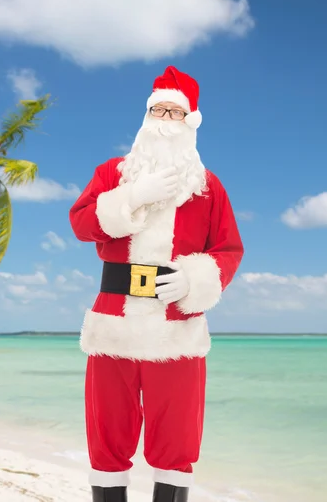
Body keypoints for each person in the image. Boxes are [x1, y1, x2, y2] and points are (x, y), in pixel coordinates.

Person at [68, 66, 244, 502]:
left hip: (176, 328)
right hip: (114, 327)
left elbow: (228, 250)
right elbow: (81, 224)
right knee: (107, 439)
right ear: (146, 116)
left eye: (175, 112)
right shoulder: (113, 173)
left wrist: (191, 280)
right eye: (157, 110)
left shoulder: (209, 188)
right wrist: (132, 196)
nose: (165, 120)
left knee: (177, 444)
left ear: (190, 122)